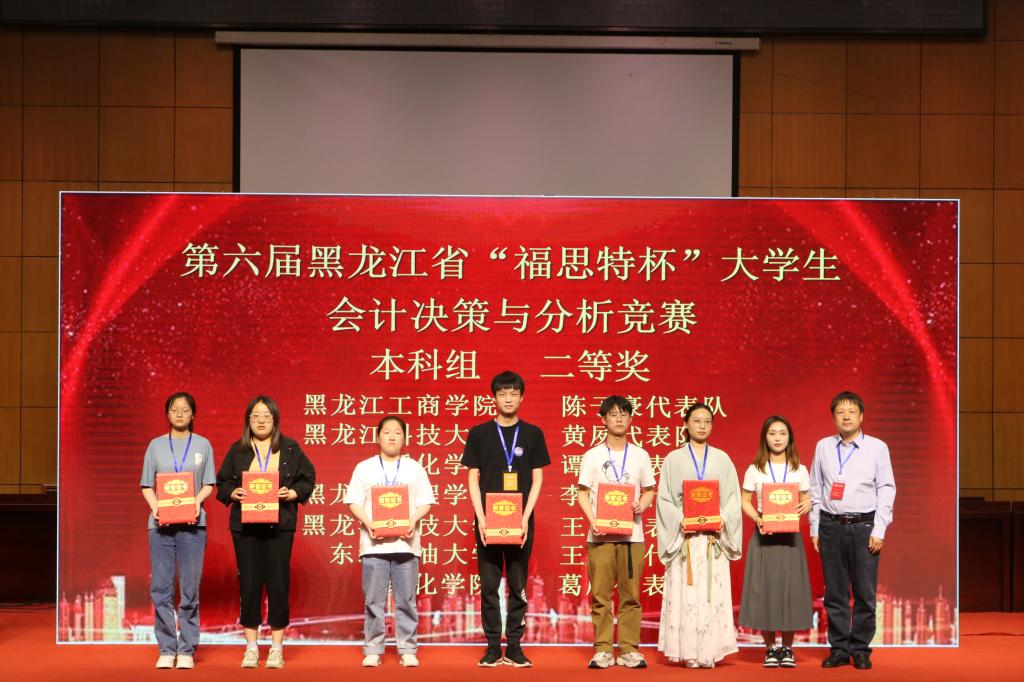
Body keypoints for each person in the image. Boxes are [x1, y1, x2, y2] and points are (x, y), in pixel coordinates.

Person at [216, 396, 316, 670]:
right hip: (245, 528)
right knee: (248, 585)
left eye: (266, 416)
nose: (261, 421)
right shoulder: (237, 450)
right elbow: (221, 484)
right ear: (248, 421)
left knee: (278, 585)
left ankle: (276, 648)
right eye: (255, 416)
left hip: (279, 527)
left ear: (275, 420)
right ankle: (251, 648)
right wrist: (233, 492)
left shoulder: (291, 449)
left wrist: (292, 493)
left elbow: (308, 479)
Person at [462, 370, 550, 667]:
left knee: (518, 584)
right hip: (488, 520)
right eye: (502, 393)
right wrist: (481, 517)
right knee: (489, 586)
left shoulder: (533, 434)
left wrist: (525, 517)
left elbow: (538, 479)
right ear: (494, 397)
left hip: (521, 521)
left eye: (513, 393)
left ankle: (513, 646)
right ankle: (491, 647)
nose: (508, 398)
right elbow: (472, 478)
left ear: (522, 397)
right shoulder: (479, 433)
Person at [809, 391, 896, 670]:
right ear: (833, 417)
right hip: (831, 525)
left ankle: (860, 649)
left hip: (864, 526)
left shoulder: (877, 448)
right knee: (834, 592)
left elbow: (886, 488)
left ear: (861, 416)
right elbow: (814, 489)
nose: (846, 417)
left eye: (851, 412)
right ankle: (838, 649)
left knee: (864, 592)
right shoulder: (823, 446)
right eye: (840, 412)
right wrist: (814, 527)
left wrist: (880, 529)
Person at [344, 416, 436, 668]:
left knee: (406, 600)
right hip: (373, 545)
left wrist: (412, 520)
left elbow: (425, 501)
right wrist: (369, 523)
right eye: (387, 432)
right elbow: (353, 501)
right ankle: (373, 648)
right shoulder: (364, 468)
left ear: (404, 438)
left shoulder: (414, 468)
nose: (392, 436)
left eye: (397, 432)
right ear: (378, 437)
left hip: (406, 545)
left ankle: (407, 648)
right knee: (374, 601)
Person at [655, 402, 741, 669]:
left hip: (713, 539)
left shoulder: (723, 459)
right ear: (685, 424)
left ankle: (710, 652)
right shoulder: (673, 459)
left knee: (711, 595)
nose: (702, 426)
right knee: (687, 594)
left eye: (707, 421)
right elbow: (664, 499)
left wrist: (722, 518)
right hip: (685, 540)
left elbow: (733, 498)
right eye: (696, 420)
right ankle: (688, 652)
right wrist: (680, 520)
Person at [577, 395, 656, 669]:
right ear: (603, 420)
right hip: (600, 536)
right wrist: (592, 520)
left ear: (630, 419)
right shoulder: (592, 455)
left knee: (630, 595)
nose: (619, 418)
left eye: (624, 414)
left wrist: (641, 505)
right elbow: (582, 493)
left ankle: (629, 649)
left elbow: (649, 491)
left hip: (632, 536)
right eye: (613, 414)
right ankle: (602, 649)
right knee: (600, 595)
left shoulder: (641, 455)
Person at [140, 392, 216, 670]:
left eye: (185, 410)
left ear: (193, 414)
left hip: (193, 526)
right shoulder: (156, 445)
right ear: (168, 414)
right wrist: (156, 507)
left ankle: (186, 649)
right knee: (160, 588)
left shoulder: (203, 445)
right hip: (160, 526)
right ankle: (166, 648)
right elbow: (147, 485)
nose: (180, 414)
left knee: (189, 589)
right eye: (175, 409)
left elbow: (209, 483)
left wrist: (196, 501)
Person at [738, 416, 813, 668]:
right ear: (765, 438)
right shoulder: (755, 469)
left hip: (790, 537)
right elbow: (744, 500)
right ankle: (770, 648)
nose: (778, 438)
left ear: (790, 437)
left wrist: (807, 504)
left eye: (782, 433)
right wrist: (758, 518)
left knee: (791, 589)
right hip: (764, 535)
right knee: (765, 589)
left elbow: (806, 498)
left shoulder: (799, 469)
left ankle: (788, 648)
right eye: (772, 433)